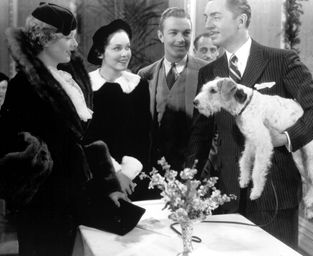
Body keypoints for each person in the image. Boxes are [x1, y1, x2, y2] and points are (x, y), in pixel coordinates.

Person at [186, 0, 313, 249]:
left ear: (241, 20)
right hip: (226, 198)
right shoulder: (209, 73)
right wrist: (188, 181)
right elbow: (200, 137)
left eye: (215, 16)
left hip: (276, 197)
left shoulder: (282, 60)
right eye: (205, 17)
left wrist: (286, 137)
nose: (207, 25)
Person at [0, 3, 128, 255]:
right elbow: (10, 146)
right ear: (46, 40)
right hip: (43, 209)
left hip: (73, 201)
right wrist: (45, 172)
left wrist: (108, 185)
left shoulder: (67, 80)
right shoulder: (23, 86)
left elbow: (83, 142)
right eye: (69, 37)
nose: (75, 44)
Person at [85, 19, 152, 200]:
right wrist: (115, 174)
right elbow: (87, 138)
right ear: (100, 53)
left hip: (133, 177)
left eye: (127, 47)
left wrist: (126, 174)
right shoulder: (85, 86)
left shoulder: (138, 85)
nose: (125, 54)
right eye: (117, 48)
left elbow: (143, 136)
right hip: (96, 175)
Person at [138, 7, 207, 172]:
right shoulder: (145, 75)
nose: (181, 39)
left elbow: (218, 131)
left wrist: (201, 172)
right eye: (173, 32)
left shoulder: (207, 72)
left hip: (195, 172)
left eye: (186, 33)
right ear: (161, 35)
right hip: (155, 174)